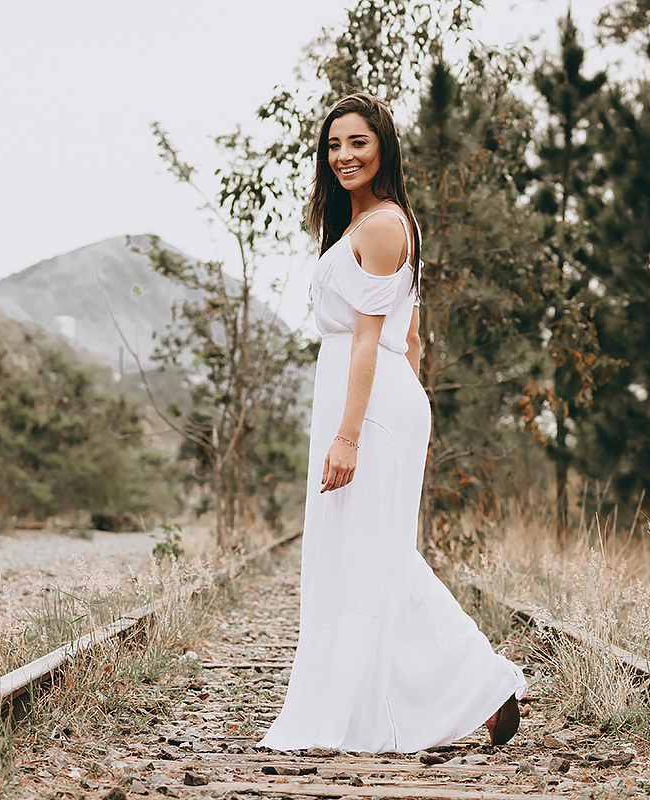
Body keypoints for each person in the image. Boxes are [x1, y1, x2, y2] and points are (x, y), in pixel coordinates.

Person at [258, 92, 525, 754]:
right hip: (363, 401)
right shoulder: (366, 222)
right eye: (333, 145)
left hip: (370, 406)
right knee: (366, 557)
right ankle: (464, 687)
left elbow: (372, 342)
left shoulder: (381, 226)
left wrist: (348, 436)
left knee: (371, 557)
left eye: (358, 142)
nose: (344, 155)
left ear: (384, 148)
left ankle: (477, 682)